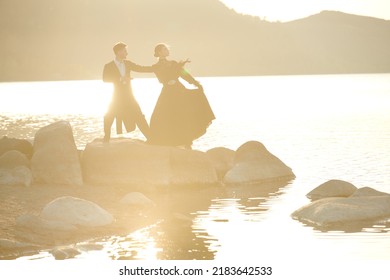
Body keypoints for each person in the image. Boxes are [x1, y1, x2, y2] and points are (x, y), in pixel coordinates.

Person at [148, 43, 215, 148]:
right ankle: (168, 140)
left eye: (167, 48)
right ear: (159, 52)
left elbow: (184, 74)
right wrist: (167, 81)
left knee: (184, 115)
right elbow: (160, 79)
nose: (167, 50)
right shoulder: (156, 66)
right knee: (163, 115)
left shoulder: (173, 63)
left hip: (179, 90)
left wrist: (195, 83)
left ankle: (186, 141)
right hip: (167, 92)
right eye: (165, 49)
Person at [102, 42, 153, 143]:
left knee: (139, 115)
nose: (127, 53)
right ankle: (106, 137)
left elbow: (141, 68)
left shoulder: (128, 63)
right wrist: (121, 79)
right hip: (116, 96)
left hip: (129, 95)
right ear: (118, 52)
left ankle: (151, 138)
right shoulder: (108, 66)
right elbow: (105, 79)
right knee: (109, 115)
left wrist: (156, 67)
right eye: (125, 51)